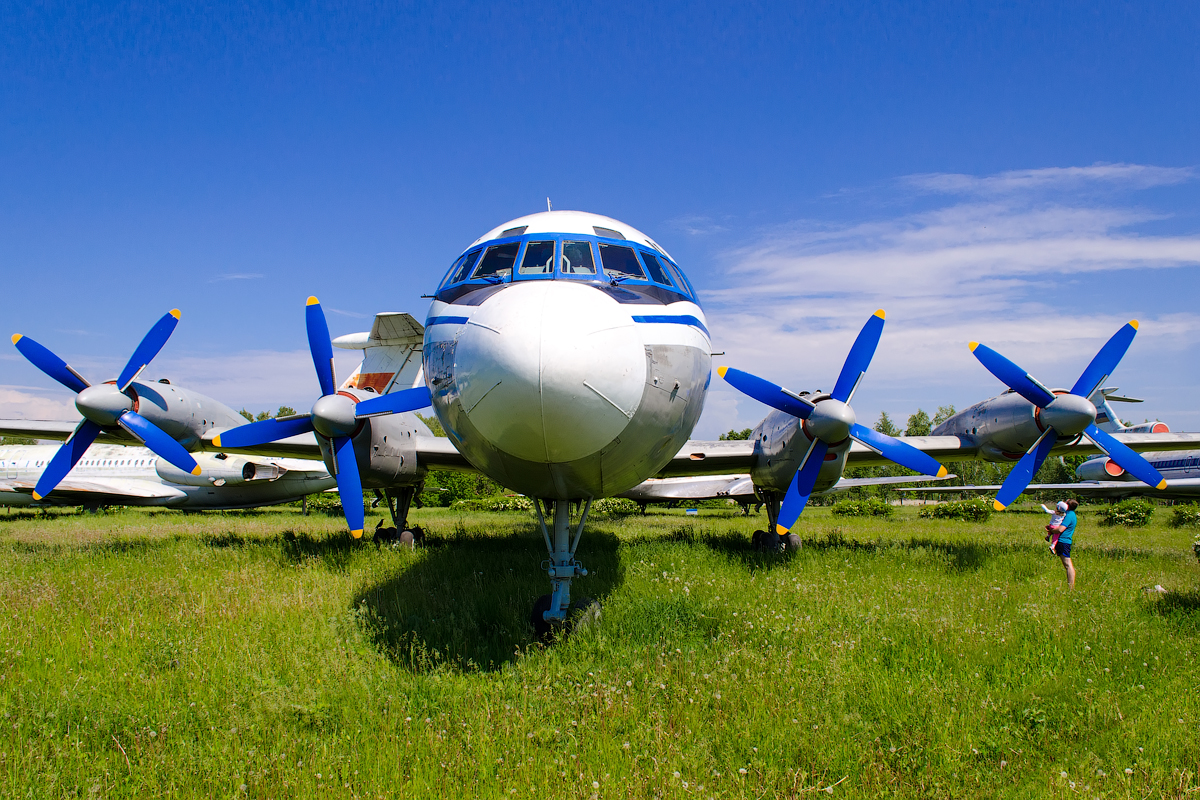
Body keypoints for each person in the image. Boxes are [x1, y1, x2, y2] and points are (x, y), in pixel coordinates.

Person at [1048, 499, 1079, 588]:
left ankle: (1071, 587)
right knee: (1067, 564)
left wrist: (1051, 530)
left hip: (1063, 541)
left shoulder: (1069, 515)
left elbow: (1060, 529)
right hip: (1064, 541)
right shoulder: (1070, 514)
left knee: (1068, 565)